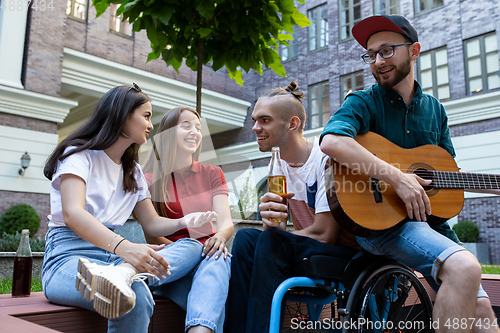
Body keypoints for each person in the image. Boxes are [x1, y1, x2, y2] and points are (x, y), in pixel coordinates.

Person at [319, 15, 500, 333]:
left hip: (429, 226)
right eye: (371, 54)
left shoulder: (435, 110)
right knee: (464, 266)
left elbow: (447, 173)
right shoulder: (363, 101)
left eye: (386, 51)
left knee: (482, 311)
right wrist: (398, 178)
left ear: (414, 51)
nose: (377, 61)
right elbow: (332, 141)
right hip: (380, 225)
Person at [42, 83, 217, 333]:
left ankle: (126, 272)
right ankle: (127, 273)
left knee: (192, 245)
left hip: (114, 260)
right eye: (146, 116)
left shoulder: (132, 171)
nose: (150, 125)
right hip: (68, 259)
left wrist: (184, 222)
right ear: (123, 114)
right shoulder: (78, 156)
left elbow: (152, 223)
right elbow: (73, 214)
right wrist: (126, 249)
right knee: (134, 297)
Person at [225, 80, 360, 333]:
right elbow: (275, 230)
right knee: (244, 238)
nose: (255, 127)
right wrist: (270, 220)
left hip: (342, 252)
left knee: (271, 241)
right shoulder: (278, 164)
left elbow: (324, 234)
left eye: (264, 120)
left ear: (292, 124)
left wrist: (275, 235)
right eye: (255, 120)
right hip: (303, 246)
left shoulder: (324, 158)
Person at [140, 106, 233, 333]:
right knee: (196, 251)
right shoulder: (149, 179)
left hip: (209, 258)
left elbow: (226, 222)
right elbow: (152, 235)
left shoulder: (212, 173)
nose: (195, 132)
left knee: (216, 260)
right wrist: (193, 254)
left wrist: (219, 237)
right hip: (170, 262)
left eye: (198, 128)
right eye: (186, 126)